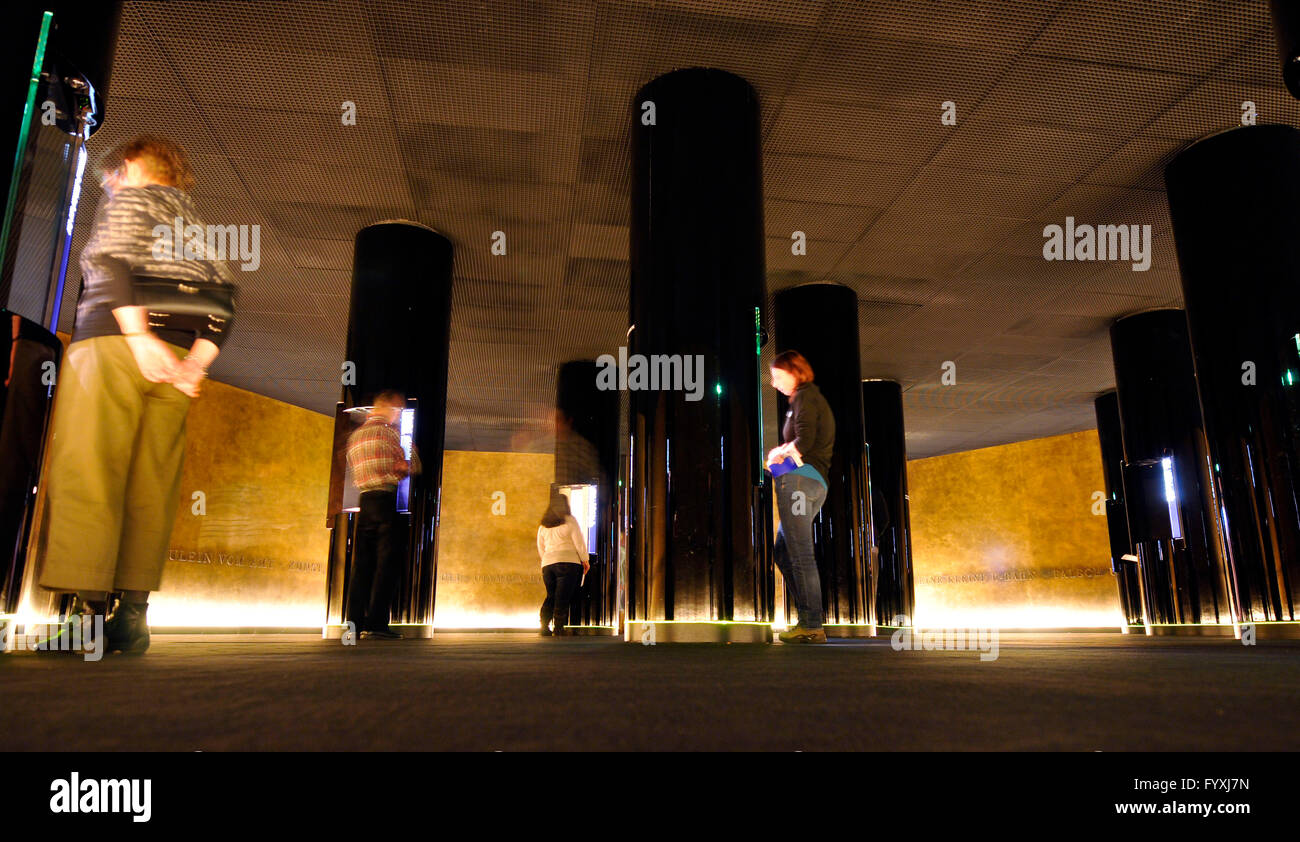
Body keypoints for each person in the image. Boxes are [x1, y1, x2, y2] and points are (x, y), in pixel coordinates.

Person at [35, 134, 235, 655]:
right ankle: (134, 616)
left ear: (127, 167)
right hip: (174, 366)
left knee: (90, 472)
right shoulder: (198, 228)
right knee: (152, 486)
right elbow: (223, 301)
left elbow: (109, 263)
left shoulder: (130, 200)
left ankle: (85, 618)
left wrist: (138, 336)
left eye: (112, 176)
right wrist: (195, 363)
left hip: (114, 345)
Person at [766, 350, 835, 644]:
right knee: (783, 551)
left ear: (795, 372)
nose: (774, 383)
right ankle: (809, 616)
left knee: (800, 553)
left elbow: (803, 442)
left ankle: (811, 623)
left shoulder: (806, 397)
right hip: (811, 482)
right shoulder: (803, 400)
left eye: (778, 376)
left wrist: (777, 452)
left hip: (799, 481)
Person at [345, 390, 416, 640]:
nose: (398, 416)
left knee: (362, 564)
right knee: (386, 564)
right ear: (392, 408)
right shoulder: (391, 433)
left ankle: (353, 622)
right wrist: (406, 462)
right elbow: (411, 466)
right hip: (386, 500)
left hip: (365, 500)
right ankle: (376, 623)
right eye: (399, 411)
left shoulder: (355, 437)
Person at [536, 491, 589, 636]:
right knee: (562, 597)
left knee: (551, 595)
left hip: (548, 564)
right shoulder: (570, 520)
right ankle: (559, 628)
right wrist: (585, 560)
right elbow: (579, 543)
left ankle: (544, 626)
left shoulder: (544, 525)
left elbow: (540, 547)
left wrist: (546, 560)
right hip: (568, 562)